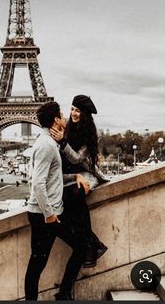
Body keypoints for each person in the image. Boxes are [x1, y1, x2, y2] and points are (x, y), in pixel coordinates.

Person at [24, 101, 91, 301]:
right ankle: (60, 294)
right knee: (38, 263)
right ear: (55, 120)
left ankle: (61, 294)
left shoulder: (46, 142)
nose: (65, 117)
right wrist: (50, 215)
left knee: (38, 263)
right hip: (46, 215)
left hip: (47, 212)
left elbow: (52, 177)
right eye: (62, 114)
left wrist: (74, 177)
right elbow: (38, 184)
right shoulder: (46, 145)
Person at [50, 95, 109, 268]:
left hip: (85, 172)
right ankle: (94, 244)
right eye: (73, 109)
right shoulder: (65, 126)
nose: (74, 113)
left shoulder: (91, 132)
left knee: (76, 194)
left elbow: (76, 159)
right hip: (69, 175)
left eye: (78, 111)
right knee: (69, 200)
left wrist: (62, 141)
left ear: (85, 114)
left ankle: (90, 247)